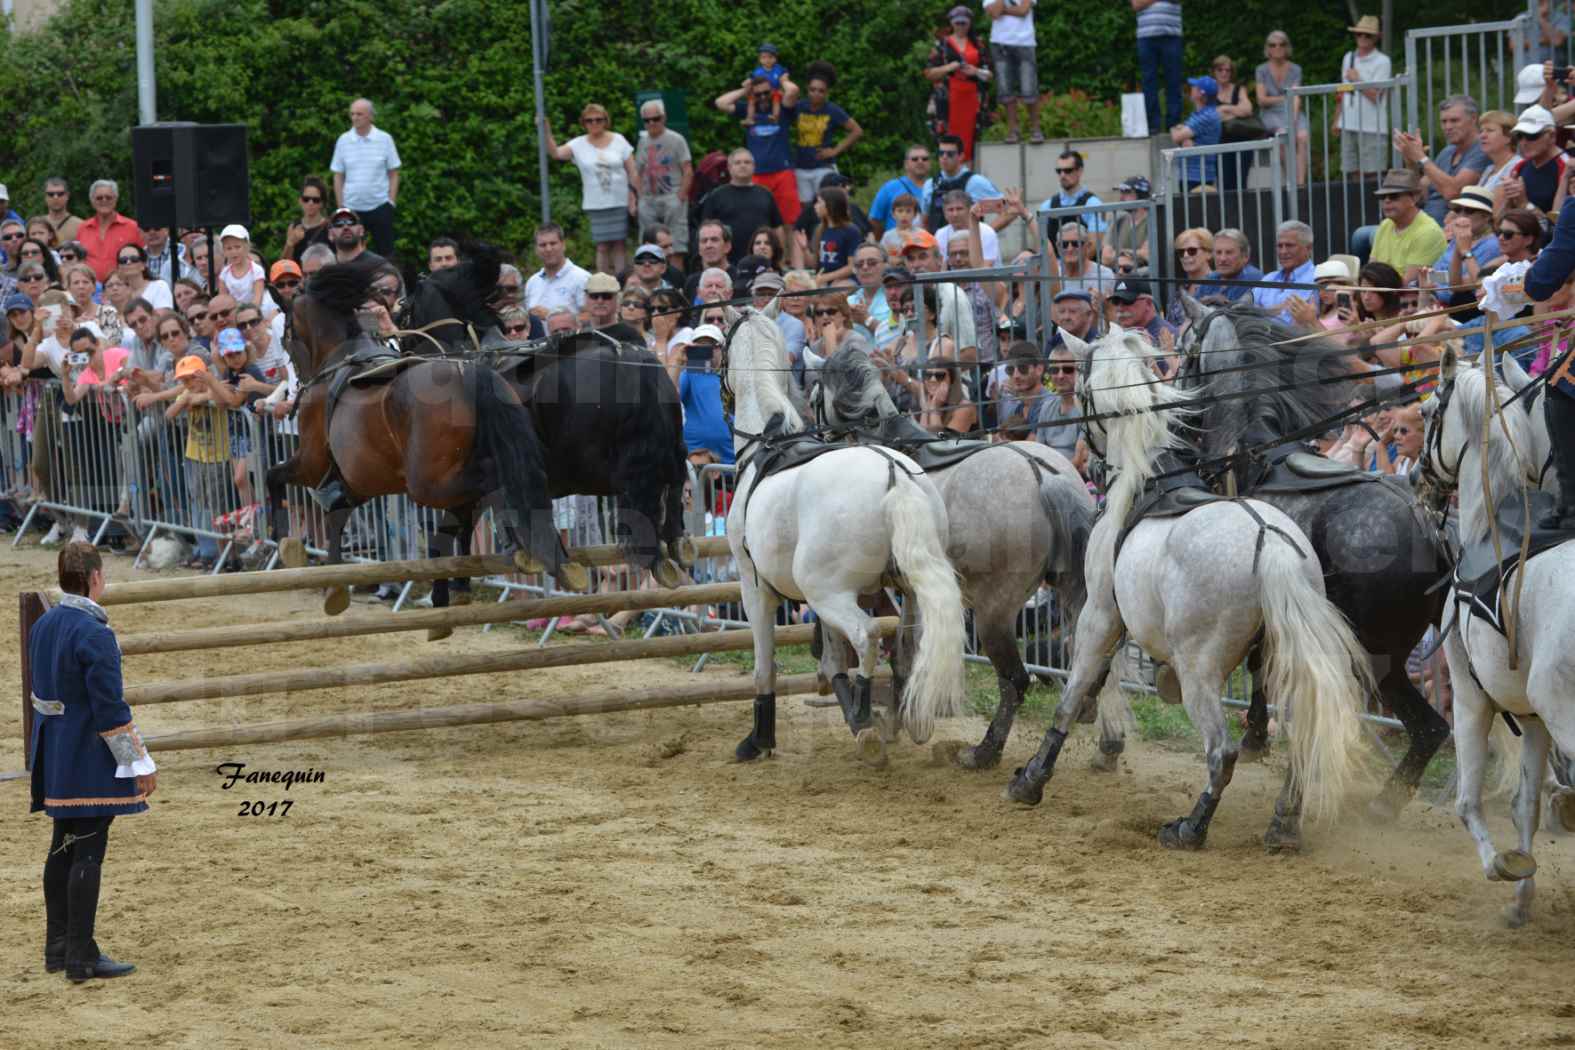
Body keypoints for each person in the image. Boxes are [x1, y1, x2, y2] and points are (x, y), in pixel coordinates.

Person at [29, 541, 156, 982]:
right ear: (96, 578)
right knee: (88, 852)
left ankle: (58, 946)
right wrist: (140, 763)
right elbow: (110, 711)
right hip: (87, 758)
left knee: (61, 845)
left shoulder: (44, 623)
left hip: (56, 755)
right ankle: (81, 955)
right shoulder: (95, 633)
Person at [541, 104, 638, 275]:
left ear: (605, 121)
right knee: (601, 246)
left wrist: (635, 196)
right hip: (596, 203)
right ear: (584, 122)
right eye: (589, 120)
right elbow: (556, 153)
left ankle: (621, 282)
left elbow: (632, 171)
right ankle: (603, 282)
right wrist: (546, 130)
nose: (594, 123)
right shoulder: (578, 144)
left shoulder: (619, 140)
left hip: (619, 200)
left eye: (598, 120)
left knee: (619, 244)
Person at [715, 74, 803, 227]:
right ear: (752, 95)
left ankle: (791, 251)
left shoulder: (782, 108)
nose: (763, 97)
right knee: (759, 223)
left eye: (766, 92)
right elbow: (720, 102)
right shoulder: (748, 109)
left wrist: (782, 81)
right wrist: (745, 90)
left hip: (783, 172)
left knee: (791, 224)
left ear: (773, 91)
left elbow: (793, 90)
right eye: (758, 94)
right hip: (756, 175)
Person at [1393, 96, 1487, 226]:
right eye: (1444, 121)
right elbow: (1420, 194)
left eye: (1454, 121)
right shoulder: (1447, 152)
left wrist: (1421, 157)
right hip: (1421, 223)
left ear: (1473, 118)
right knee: (1363, 235)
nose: (1447, 127)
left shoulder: (1482, 149)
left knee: (1363, 236)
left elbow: (1453, 193)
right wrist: (1411, 161)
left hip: (1447, 229)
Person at [330, 98, 401, 257]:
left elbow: (394, 173)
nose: (355, 117)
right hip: (352, 208)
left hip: (380, 206)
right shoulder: (343, 140)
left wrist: (391, 202)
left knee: (386, 254)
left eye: (359, 114)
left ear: (370, 116)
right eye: (352, 114)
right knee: (348, 252)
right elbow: (338, 176)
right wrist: (341, 207)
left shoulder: (385, 139)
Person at [926, 7, 994, 165]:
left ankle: (968, 176)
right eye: (958, 23)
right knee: (948, 139)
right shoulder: (942, 45)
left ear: (969, 24)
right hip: (948, 98)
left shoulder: (978, 44)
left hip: (972, 97)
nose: (961, 26)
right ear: (951, 23)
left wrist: (975, 71)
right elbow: (929, 73)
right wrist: (950, 67)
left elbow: (989, 74)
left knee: (972, 140)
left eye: (964, 23)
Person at [792, 62, 862, 207]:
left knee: (828, 205)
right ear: (807, 89)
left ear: (827, 92)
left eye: (821, 91)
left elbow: (857, 131)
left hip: (823, 167)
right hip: (800, 167)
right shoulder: (799, 106)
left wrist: (835, 151)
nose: (816, 93)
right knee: (806, 208)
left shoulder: (832, 110)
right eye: (812, 89)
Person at [635, 99, 693, 272]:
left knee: (676, 248)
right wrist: (639, 197)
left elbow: (688, 169)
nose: (652, 123)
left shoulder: (676, 139)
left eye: (656, 118)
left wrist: (680, 196)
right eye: (647, 120)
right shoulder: (642, 141)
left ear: (664, 118)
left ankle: (677, 286)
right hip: (649, 198)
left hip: (672, 197)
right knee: (647, 248)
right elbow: (637, 171)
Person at [698, 151, 785, 266]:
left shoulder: (765, 194)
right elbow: (704, 232)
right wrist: (706, 265)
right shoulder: (716, 196)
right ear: (729, 167)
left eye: (747, 162)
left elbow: (777, 229)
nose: (742, 165)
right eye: (738, 162)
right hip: (727, 265)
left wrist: (780, 261)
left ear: (754, 166)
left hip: (762, 263)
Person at [1334, 16, 1393, 178]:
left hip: (1372, 126)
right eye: (1359, 34)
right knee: (1350, 171)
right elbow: (1343, 91)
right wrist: (1337, 119)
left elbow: (1377, 97)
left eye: (1367, 35)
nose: (1362, 38)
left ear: (1376, 37)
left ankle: (1374, 204)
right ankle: (1356, 204)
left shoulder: (1383, 61)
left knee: (1373, 174)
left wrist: (1357, 81)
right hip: (1348, 123)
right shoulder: (1348, 58)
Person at [672, 323, 735, 466]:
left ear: (722, 348)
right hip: (698, 458)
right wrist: (677, 362)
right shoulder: (690, 373)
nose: (706, 351)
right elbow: (669, 398)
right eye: (700, 346)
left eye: (711, 345)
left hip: (732, 457)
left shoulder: (733, 375)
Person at [1370, 169, 1448, 282]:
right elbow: (1371, 270)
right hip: (1383, 292)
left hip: (1412, 295)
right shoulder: (1385, 225)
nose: (1386, 201)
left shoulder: (1428, 232)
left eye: (1394, 196)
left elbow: (1406, 283)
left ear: (1414, 198)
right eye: (1383, 197)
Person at [1433, 186, 1503, 306]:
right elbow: (1434, 273)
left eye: (1469, 211)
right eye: (1458, 210)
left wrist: (1436, 282)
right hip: (1436, 299)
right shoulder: (1460, 237)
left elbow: (1471, 283)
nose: (1462, 215)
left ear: (1486, 216)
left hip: (1462, 307)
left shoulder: (1492, 245)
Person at [919, 133, 1002, 232]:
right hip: (939, 245)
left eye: (950, 154)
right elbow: (924, 222)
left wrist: (984, 235)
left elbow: (1008, 211)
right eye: (941, 153)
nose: (944, 157)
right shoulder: (930, 184)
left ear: (961, 156)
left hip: (970, 246)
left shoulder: (976, 182)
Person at [1257, 31, 1310, 186]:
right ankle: (1290, 181)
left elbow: (1296, 98)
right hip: (1270, 113)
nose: (1277, 48)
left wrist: (1292, 122)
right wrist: (1286, 97)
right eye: (1273, 45)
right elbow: (1261, 100)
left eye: (1282, 44)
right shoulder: (1261, 70)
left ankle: (1301, 184)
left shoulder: (1296, 69)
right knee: (1282, 138)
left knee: (1302, 136)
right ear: (1268, 48)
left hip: (1292, 110)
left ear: (1287, 47)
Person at [985, 0, 1041, 145]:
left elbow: (1023, 11)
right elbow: (995, 12)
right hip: (1000, 43)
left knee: (1029, 87)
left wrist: (1004, 9)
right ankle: (1013, 131)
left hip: (1025, 42)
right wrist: (1008, 8)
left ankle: (1035, 130)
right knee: (1005, 89)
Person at [1502, 104, 1567, 217]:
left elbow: (1558, 228)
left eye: (1532, 136)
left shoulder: (1567, 168)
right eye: (1519, 136)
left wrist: (1524, 204)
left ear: (1552, 136)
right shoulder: (1520, 167)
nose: (1523, 143)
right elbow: (1502, 221)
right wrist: (1509, 200)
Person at [1250, 220, 1317, 323]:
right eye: (1279, 246)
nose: (1283, 252)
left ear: (1308, 248)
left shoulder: (1318, 278)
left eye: (1289, 245)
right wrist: (1275, 310)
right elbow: (1246, 311)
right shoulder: (1269, 278)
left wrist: (1263, 311)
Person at [76, 181, 142, 284]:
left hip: (122, 287)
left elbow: (142, 259)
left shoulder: (132, 227)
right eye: (99, 198)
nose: (104, 200)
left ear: (115, 199)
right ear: (92, 201)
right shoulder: (83, 228)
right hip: (90, 290)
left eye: (108, 197)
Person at [1034, 345, 1087, 472]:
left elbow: (1079, 461)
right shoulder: (1046, 407)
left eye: (1068, 370)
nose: (1060, 375)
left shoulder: (1086, 408)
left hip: (1074, 478)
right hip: (1047, 474)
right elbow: (1038, 451)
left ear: (1080, 371)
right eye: (1054, 370)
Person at [1211, 55, 1258, 190]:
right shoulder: (1210, 91)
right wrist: (1237, 110)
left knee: (1241, 183)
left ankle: (1242, 211)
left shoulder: (1239, 89)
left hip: (1242, 142)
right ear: (1214, 71)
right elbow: (1212, 116)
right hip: (1220, 143)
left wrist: (1225, 108)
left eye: (1228, 70)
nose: (1224, 73)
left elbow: (1248, 110)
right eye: (1220, 70)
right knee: (1225, 183)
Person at [524, 223, 589, 320]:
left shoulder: (582, 278)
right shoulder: (532, 283)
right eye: (543, 245)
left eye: (553, 243)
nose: (548, 249)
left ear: (563, 245)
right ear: (536, 249)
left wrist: (550, 316)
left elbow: (593, 317)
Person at [1037, 149, 1105, 240]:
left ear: (1079, 171)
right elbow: (1041, 244)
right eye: (1059, 171)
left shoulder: (1094, 204)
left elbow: (1094, 245)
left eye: (1068, 170)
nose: (1062, 175)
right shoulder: (1047, 206)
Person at [868, 144, 932, 240]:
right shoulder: (890, 188)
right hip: (895, 247)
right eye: (915, 159)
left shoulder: (935, 186)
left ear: (930, 163)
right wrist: (886, 238)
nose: (920, 161)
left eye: (925, 159)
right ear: (906, 164)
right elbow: (874, 220)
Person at [1171, 76, 1222, 190]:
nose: (1191, 88)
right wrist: (1183, 137)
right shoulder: (1200, 113)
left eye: (1195, 87)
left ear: (1201, 94)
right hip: (1192, 175)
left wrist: (1176, 129)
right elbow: (1181, 136)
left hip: (1198, 178)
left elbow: (1176, 136)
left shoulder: (1206, 116)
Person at [812, 187, 861, 286]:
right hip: (823, 279)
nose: (815, 206)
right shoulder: (820, 230)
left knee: (837, 290)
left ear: (830, 205)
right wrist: (804, 249)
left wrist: (827, 277)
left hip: (846, 280)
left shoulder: (851, 231)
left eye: (819, 202)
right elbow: (816, 262)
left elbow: (852, 266)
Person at [1197, 228, 1263, 302]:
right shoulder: (1210, 278)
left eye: (1229, 252)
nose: (1222, 259)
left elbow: (1238, 311)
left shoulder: (1252, 277)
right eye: (1218, 252)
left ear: (1245, 256)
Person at [917, 357, 977, 434]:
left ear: (951, 380)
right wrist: (925, 410)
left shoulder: (964, 408)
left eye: (940, 376)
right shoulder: (928, 403)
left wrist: (934, 409)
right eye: (928, 375)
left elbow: (943, 444)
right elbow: (922, 439)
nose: (933, 380)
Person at [1476, 110, 1520, 198]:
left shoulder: (1516, 166)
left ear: (1509, 137)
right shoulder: (1489, 169)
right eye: (1481, 131)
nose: (1482, 136)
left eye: (1490, 130)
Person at [745, 42, 790, 126]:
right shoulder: (758, 71)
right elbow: (751, 80)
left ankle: (775, 116)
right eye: (764, 57)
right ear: (760, 59)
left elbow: (785, 76)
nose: (767, 60)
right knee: (751, 100)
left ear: (775, 58)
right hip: (760, 93)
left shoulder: (778, 68)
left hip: (774, 91)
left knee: (776, 100)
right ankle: (750, 118)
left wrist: (784, 81)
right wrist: (747, 82)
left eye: (770, 57)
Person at [40, 177, 83, 245]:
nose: (55, 197)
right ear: (45, 197)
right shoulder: (37, 225)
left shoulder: (80, 225)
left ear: (67, 196)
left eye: (60, 194)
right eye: (51, 194)